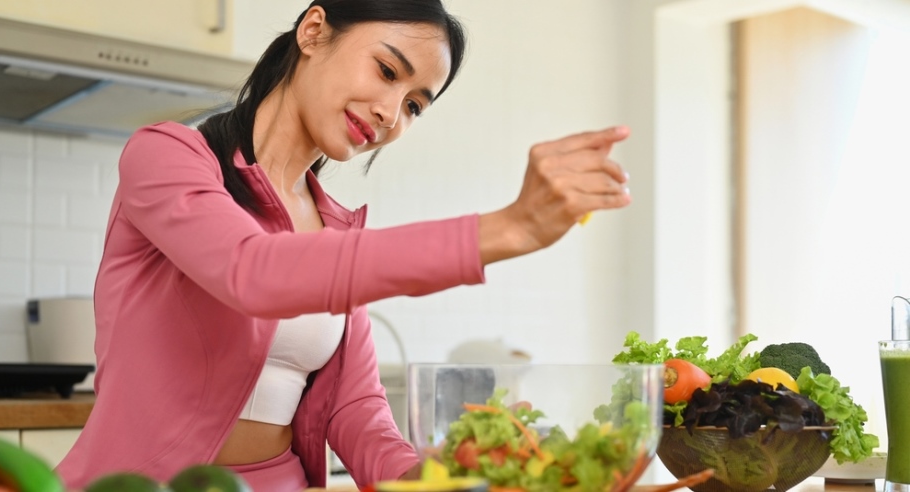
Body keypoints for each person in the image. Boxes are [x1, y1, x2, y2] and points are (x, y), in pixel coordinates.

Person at [55, 0, 631, 491]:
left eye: (413, 106)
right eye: (386, 70)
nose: (390, 114)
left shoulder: (337, 234)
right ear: (313, 31)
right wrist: (507, 228)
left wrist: (437, 476)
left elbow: (355, 411)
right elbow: (252, 272)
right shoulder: (168, 155)